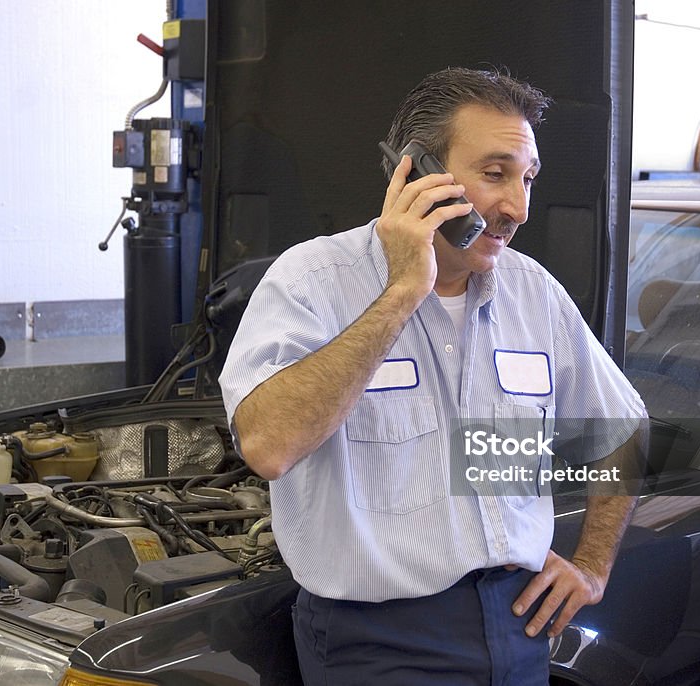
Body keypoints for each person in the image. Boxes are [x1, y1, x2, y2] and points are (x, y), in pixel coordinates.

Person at [219, 67, 647, 685]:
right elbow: (267, 445)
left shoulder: (533, 293)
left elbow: (621, 430)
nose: (518, 207)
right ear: (415, 173)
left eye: (527, 179)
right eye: (495, 174)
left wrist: (593, 567)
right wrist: (401, 291)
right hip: (378, 643)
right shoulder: (311, 278)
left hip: (520, 628)